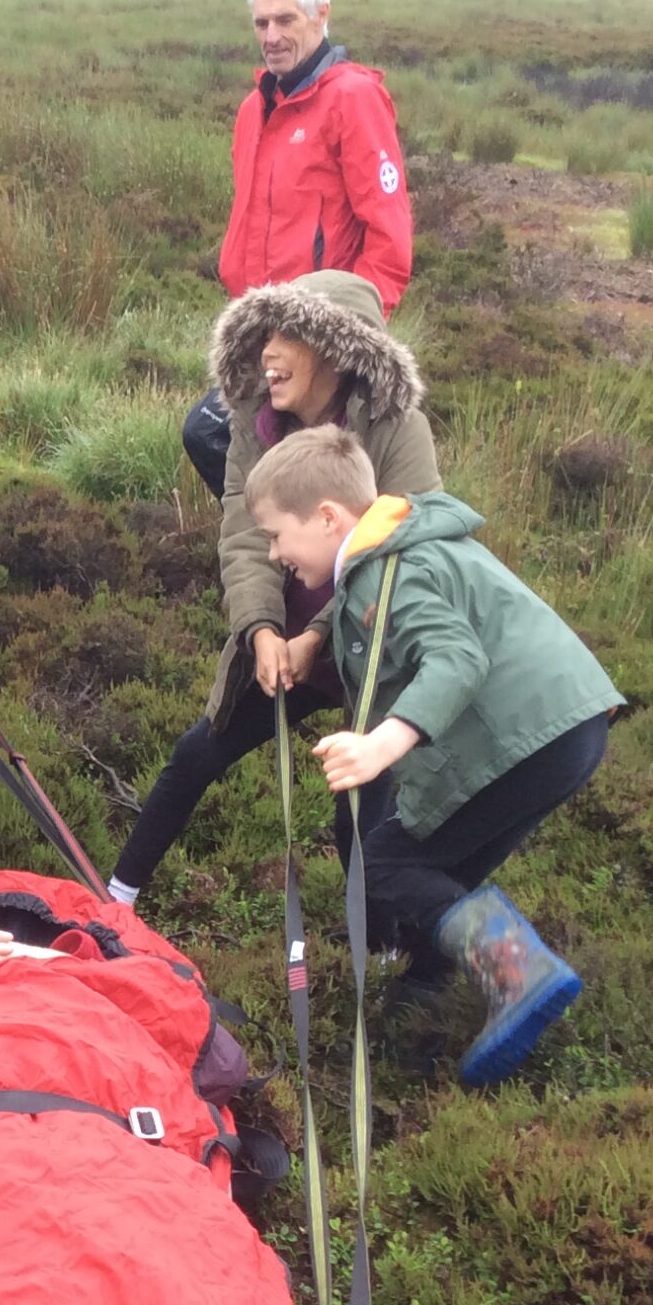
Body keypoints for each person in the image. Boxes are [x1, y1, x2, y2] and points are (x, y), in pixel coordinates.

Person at [245, 426, 621, 1086]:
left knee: (385, 863)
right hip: (569, 727)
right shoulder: (397, 549)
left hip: (523, 738)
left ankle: (520, 975)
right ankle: (425, 1001)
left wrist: (380, 745)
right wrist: (317, 638)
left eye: (277, 534)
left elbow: (456, 658)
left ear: (328, 517)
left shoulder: (379, 578)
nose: (274, 553)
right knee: (438, 864)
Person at [110, 271, 436, 904]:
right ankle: (115, 900)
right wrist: (260, 628)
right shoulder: (252, 422)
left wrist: (320, 634)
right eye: (264, 332)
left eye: (288, 334)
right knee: (197, 754)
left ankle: (386, 947)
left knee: (363, 806)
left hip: (373, 639)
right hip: (286, 644)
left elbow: (407, 554)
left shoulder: (399, 430)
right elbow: (243, 531)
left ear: (336, 350)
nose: (268, 351)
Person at [182, 0, 414, 503]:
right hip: (260, 335)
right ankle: (283, 564)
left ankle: (322, 570)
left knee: (301, 472)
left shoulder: (351, 100)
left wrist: (350, 339)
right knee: (227, 447)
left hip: (321, 343)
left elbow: (389, 236)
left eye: (286, 20)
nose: (272, 35)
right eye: (262, 22)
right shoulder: (254, 110)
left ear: (320, 15)